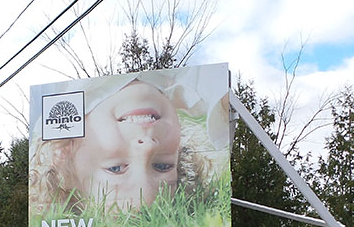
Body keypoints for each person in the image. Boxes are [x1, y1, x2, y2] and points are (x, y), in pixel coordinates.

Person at [30, 66, 230, 215]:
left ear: (63, 152)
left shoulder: (58, 94)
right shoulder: (199, 89)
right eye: (162, 165)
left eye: (116, 168)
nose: (148, 146)